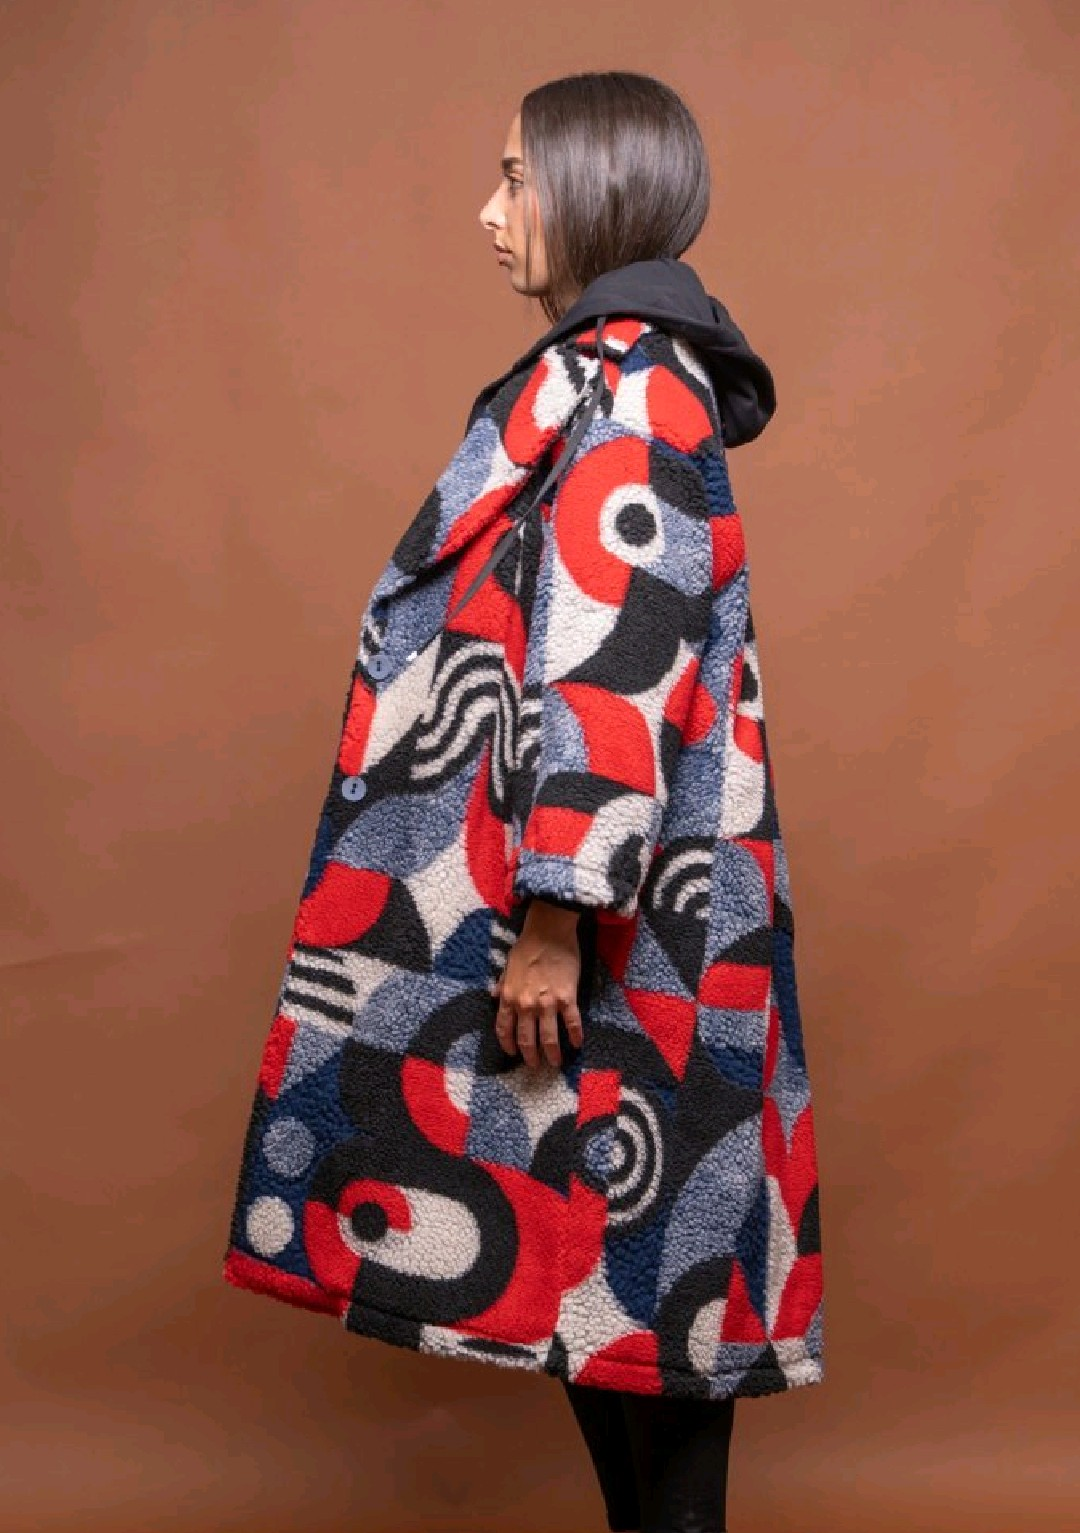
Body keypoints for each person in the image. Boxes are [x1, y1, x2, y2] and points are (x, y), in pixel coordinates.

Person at [222, 69, 825, 1533]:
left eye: (514, 177)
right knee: (606, 1293)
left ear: (594, 188)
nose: (488, 212)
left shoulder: (636, 391)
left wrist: (556, 918)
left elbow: (617, 658)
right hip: (608, 905)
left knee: (657, 1300)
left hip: (626, 924)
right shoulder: (608, 381)